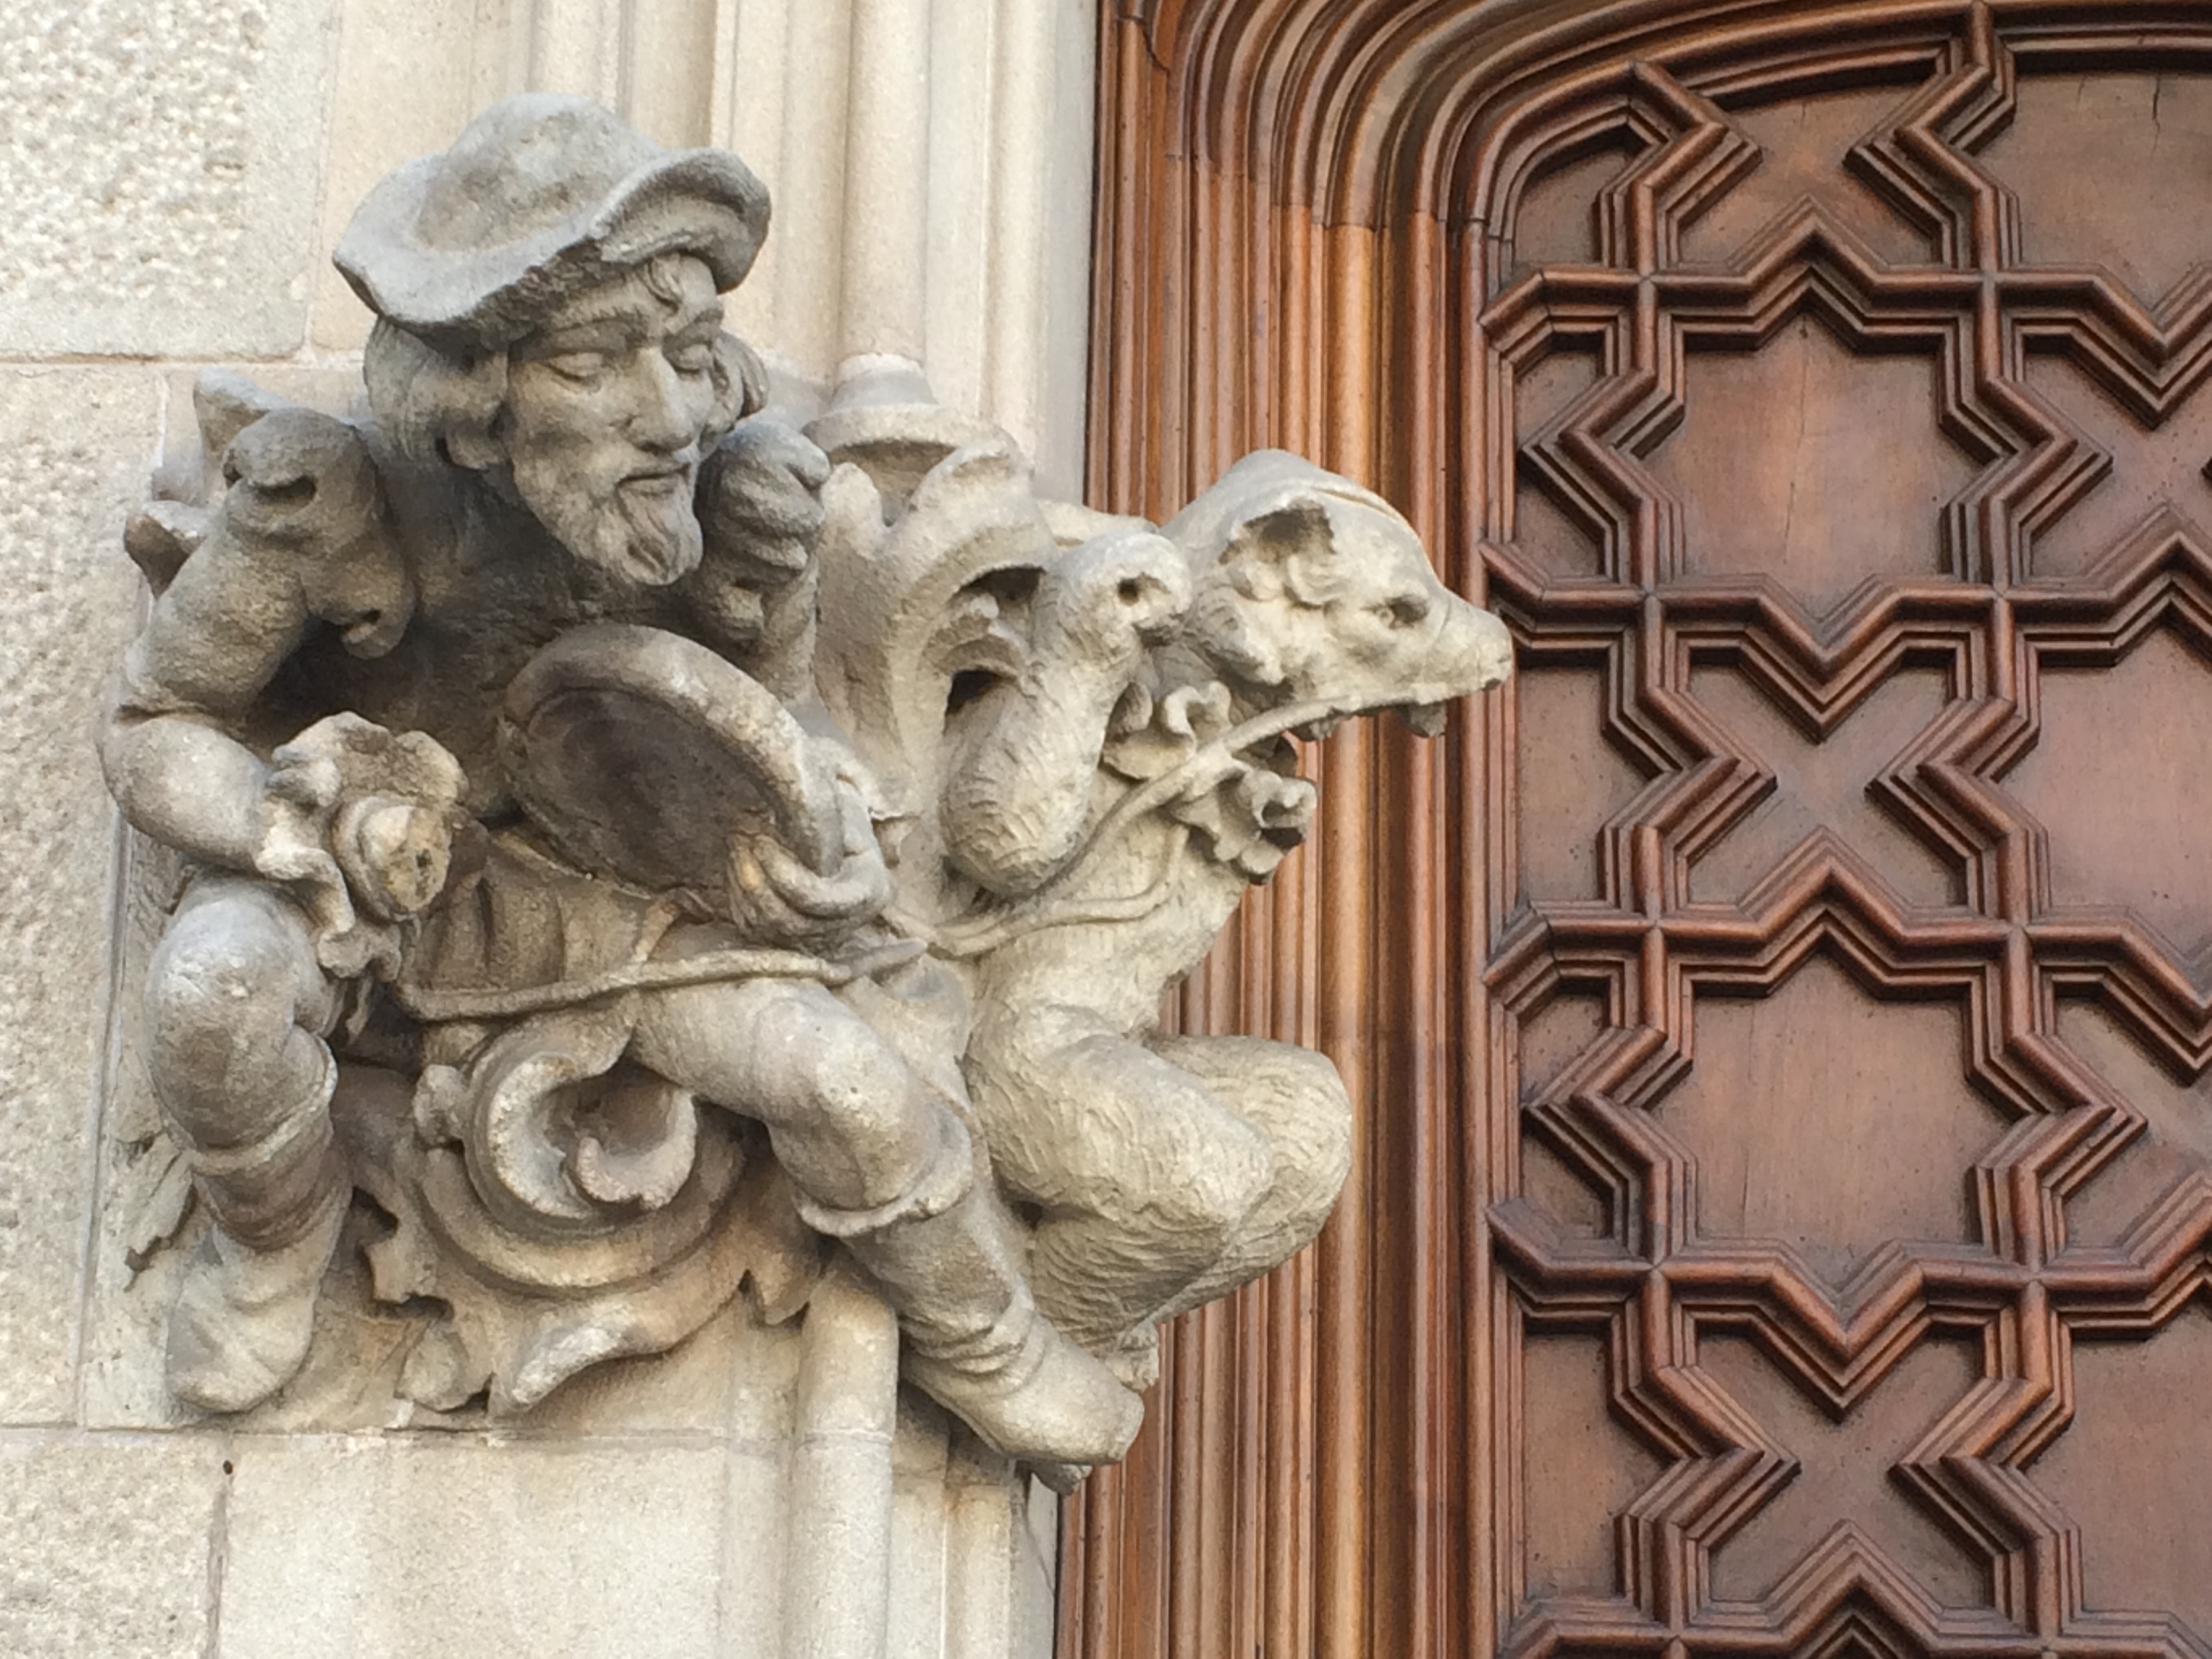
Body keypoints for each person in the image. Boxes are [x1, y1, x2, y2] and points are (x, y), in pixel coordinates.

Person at [101, 94, 1139, 1466]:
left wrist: (810, 817)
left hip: (618, 891)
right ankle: (273, 1247)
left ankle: (985, 1338)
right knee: (214, 995)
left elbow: (762, 721)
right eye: (595, 363)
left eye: (690, 354)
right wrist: (284, 833)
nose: (667, 417)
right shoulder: (329, 503)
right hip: (370, 878)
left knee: (849, 1086)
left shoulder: (723, 501)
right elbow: (157, 719)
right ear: (478, 395)